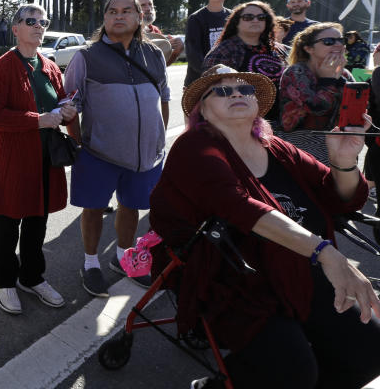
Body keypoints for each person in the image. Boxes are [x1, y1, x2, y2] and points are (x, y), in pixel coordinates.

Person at [149, 65, 380, 389]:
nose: (237, 94)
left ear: (257, 104)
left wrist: (343, 160)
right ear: (202, 108)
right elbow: (238, 206)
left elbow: (339, 197)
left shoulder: (277, 147)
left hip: (300, 270)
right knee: (294, 371)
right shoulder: (194, 147)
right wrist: (327, 254)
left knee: (369, 352)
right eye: (222, 90)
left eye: (244, 89)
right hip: (233, 280)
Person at [64, 0, 169, 297]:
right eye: (112, 11)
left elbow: (163, 100)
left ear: (139, 18)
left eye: (126, 11)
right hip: (98, 153)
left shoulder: (155, 55)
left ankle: (124, 257)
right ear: (105, 18)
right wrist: (79, 144)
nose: (118, 16)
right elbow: (69, 105)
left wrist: (159, 139)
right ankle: (90, 263)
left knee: (132, 207)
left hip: (146, 156)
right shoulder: (86, 57)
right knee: (94, 209)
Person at [0, 4, 77, 314]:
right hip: (13, 161)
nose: (38, 26)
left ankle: (32, 277)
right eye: (30, 21)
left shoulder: (49, 66)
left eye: (43, 22)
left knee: (38, 221)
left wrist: (67, 111)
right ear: (16, 29)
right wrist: (38, 120)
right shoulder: (3, 66)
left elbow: (60, 101)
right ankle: (5, 281)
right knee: (8, 223)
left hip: (45, 160)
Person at [279, 23, 355, 164]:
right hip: (301, 146)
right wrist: (328, 80)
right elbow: (317, 108)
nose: (338, 45)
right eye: (328, 42)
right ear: (309, 48)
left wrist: (341, 80)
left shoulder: (344, 73)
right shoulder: (296, 72)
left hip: (338, 145)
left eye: (341, 40)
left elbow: (355, 109)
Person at [202, 1, 287, 122]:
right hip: (241, 121)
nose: (255, 20)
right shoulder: (226, 49)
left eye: (261, 17)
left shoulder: (277, 49)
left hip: (280, 121)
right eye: (248, 17)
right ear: (237, 22)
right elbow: (211, 90)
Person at [184, 0, 239, 87]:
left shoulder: (234, 17)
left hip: (229, 80)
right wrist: (211, 74)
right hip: (200, 81)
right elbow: (193, 53)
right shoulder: (196, 18)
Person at [131, 0, 183, 65]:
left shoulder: (155, 30)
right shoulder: (127, 31)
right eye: (143, 5)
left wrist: (176, 52)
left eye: (150, 4)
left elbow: (161, 66)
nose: (148, 8)